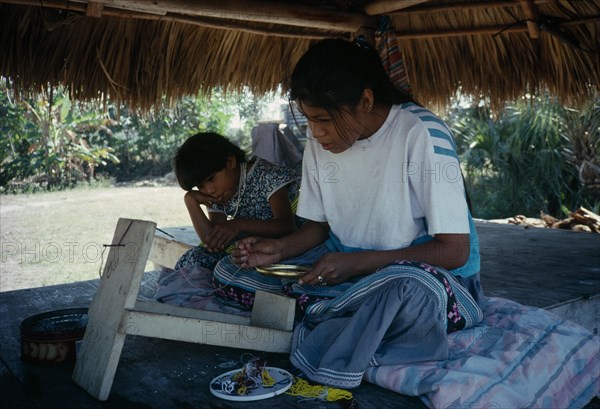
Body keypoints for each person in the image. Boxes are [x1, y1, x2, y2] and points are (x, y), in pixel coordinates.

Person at [212, 39, 484, 387]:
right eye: (310, 120)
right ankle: (343, 313)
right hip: (347, 273)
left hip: (428, 280)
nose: (316, 132)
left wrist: (357, 264)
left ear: (365, 101)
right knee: (229, 271)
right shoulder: (320, 144)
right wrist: (278, 250)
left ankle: (329, 312)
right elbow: (318, 229)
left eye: (323, 119)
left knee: (409, 293)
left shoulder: (421, 133)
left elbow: (454, 251)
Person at [167, 131, 302, 273]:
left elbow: (286, 226)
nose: (208, 190)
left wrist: (238, 225)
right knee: (195, 258)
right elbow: (214, 243)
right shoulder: (220, 193)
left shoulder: (267, 175)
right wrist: (190, 201)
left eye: (211, 179)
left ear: (230, 162)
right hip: (252, 250)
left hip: (289, 247)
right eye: (200, 186)